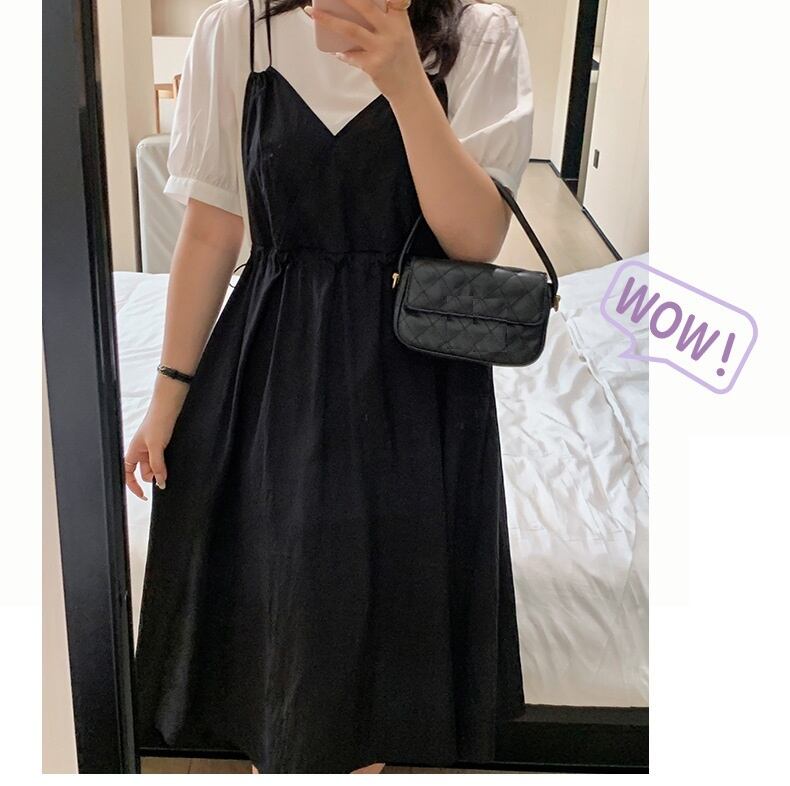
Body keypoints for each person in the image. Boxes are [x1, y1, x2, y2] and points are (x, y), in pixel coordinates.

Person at [127, 0, 533, 774]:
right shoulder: (235, 30)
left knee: (384, 644)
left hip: (419, 375)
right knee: (284, 620)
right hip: (275, 362)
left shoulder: (482, 35)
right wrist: (168, 398)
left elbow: (474, 241)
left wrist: (405, 80)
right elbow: (211, 232)